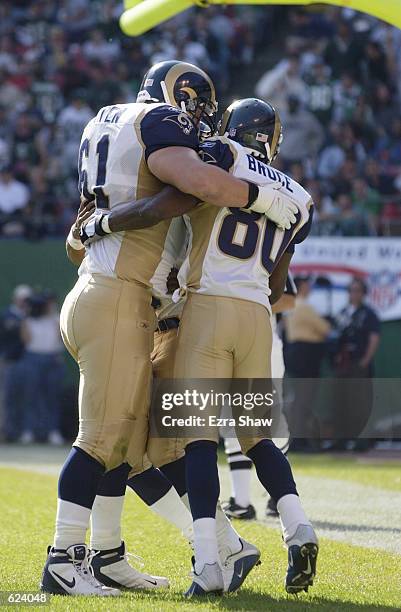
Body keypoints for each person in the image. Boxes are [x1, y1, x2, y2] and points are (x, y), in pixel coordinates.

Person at [41, 60, 297, 597]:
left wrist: (104, 221)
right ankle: (67, 560)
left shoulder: (112, 132)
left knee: (135, 447)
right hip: (150, 309)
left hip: (115, 297)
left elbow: (76, 240)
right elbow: (205, 191)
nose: (200, 122)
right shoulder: (178, 142)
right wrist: (274, 198)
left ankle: (112, 554)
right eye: (197, 109)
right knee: (134, 441)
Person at [329, 277, 380, 450]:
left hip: (359, 363)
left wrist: (365, 360)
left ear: (363, 293)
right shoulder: (342, 312)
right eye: (351, 290)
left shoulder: (369, 313)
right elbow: (335, 336)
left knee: (360, 403)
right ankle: (340, 439)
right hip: (343, 364)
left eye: (357, 290)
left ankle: (361, 441)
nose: (354, 294)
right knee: (340, 401)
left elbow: (374, 337)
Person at [284, 275, 330, 451]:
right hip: (306, 356)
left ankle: (298, 438)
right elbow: (325, 329)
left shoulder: (291, 306)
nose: (310, 286)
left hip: (296, 355)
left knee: (298, 400)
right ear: (301, 286)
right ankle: (299, 440)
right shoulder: (304, 306)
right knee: (304, 399)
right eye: (307, 284)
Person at [0, 285, 32, 441]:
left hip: (27, 362)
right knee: (6, 398)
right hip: (9, 362)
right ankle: (5, 432)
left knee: (25, 398)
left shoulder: (32, 316)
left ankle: (21, 431)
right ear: (15, 299)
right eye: (22, 299)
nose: (24, 302)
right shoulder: (6, 315)